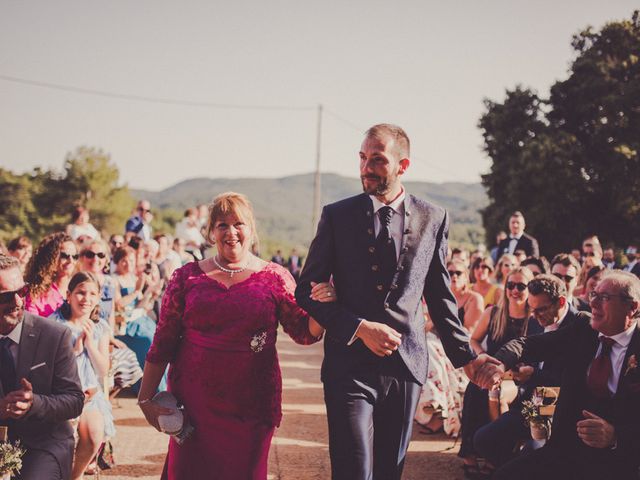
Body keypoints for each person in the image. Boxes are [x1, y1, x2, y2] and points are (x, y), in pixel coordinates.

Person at [295, 124, 480, 480]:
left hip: (405, 366)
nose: (365, 167)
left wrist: (467, 358)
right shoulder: (337, 215)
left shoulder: (433, 217)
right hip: (348, 365)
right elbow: (306, 290)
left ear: (403, 165)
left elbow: (441, 297)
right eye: (362, 158)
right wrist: (359, 327)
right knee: (353, 470)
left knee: (387, 473)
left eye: (377, 160)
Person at [137, 192, 335, 479]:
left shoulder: (275, 277)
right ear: (210, 232)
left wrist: (323, 308)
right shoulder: (185, 278)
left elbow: (304, 332)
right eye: (222, 225)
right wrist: (145, 399)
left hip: (251, 405)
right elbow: (163, 342)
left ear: (251, 229)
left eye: (238, 224)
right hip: (194, 406)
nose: (231, 232)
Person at [476, 270, 640, 480]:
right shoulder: (583, 328)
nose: (594, 304)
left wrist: (615, 436)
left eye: (605, 298)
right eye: (594, 295)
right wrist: (499, 365)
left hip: (617, 462)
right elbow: (527, 345)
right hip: (565, 451)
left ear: (632, 307)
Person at [473, 274, 590, 470]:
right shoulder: (535, 320)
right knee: (482, 439)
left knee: (532, 454)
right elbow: (525, 348)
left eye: (541, 309)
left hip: (560, 409)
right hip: (532, 401)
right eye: (532, 308)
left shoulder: (579, 326)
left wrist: (533, 375)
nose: (534, 315)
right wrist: (514, 371)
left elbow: (574, 382)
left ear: (561, 302)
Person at [0, 254, 84, 479]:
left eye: (23, 292)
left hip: (43, 445)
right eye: (7, 296)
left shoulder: (54, 335)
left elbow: (75, 401)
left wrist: (34, 403)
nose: (18, 301)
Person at [458, 267, 536, 477]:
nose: (515, 290)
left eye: (521, 286)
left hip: (519, 378)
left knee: (503, 396)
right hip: (491, 371)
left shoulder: (534, 319)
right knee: (474, 390)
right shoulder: (493, 313)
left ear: (530, 289)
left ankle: (496, 456)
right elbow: (473, 339)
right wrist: (482, 354)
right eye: (510, 285)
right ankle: (469, 454)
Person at [49, 272, 115, 480]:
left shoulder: (100, 327)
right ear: (68, 295)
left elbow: (103, 370)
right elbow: (48, 365)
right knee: (66, 439)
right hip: (61, 393)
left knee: (94, 434)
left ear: (97, 299)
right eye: (80, 293)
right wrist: (75, 351)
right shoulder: (55, 324)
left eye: (92, 294)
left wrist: (90, 346)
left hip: (89, 394)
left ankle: (74, 476)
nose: (86, 299)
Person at [414, 260, 482, 437]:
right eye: (449, 272)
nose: (453, 276)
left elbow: (469, 333)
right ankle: (432, 405)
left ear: (466, 276)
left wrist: (438, 324)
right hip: (434, 346)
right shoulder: (437, 297)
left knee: (428, 348)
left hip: (458, 348)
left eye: (458, 273)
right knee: (421, 347)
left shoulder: (473, 299)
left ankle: (436, 406)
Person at [24, 232, 78, 318]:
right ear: (49, 258)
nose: (71, 260)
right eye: (64, 255)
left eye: (75, 256)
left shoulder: (80, 288)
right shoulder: (35, 293)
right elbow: (32, 326)